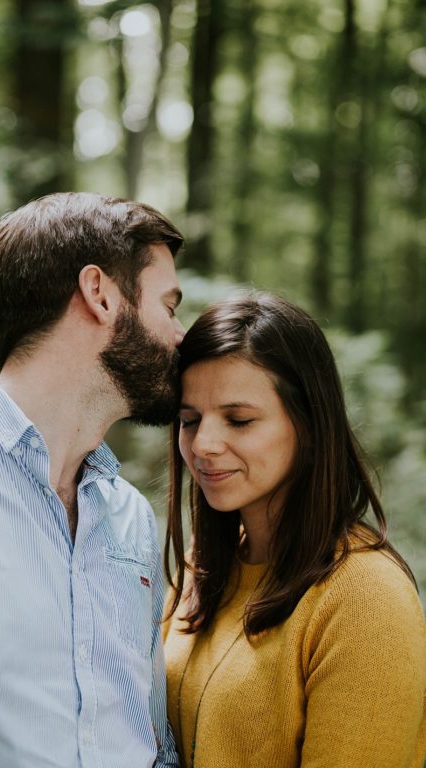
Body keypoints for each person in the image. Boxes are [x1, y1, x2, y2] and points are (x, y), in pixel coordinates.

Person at [0, 192, 185, 767]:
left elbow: (153, 738)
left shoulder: (131, 515)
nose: (180, 335)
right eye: (169, 305)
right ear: (101, 295)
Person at [163, 292, 426, 768]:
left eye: (239, 420)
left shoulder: (365, 596)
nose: (203, 444)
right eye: (189, 420)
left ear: (308, 423)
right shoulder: (197, 571)